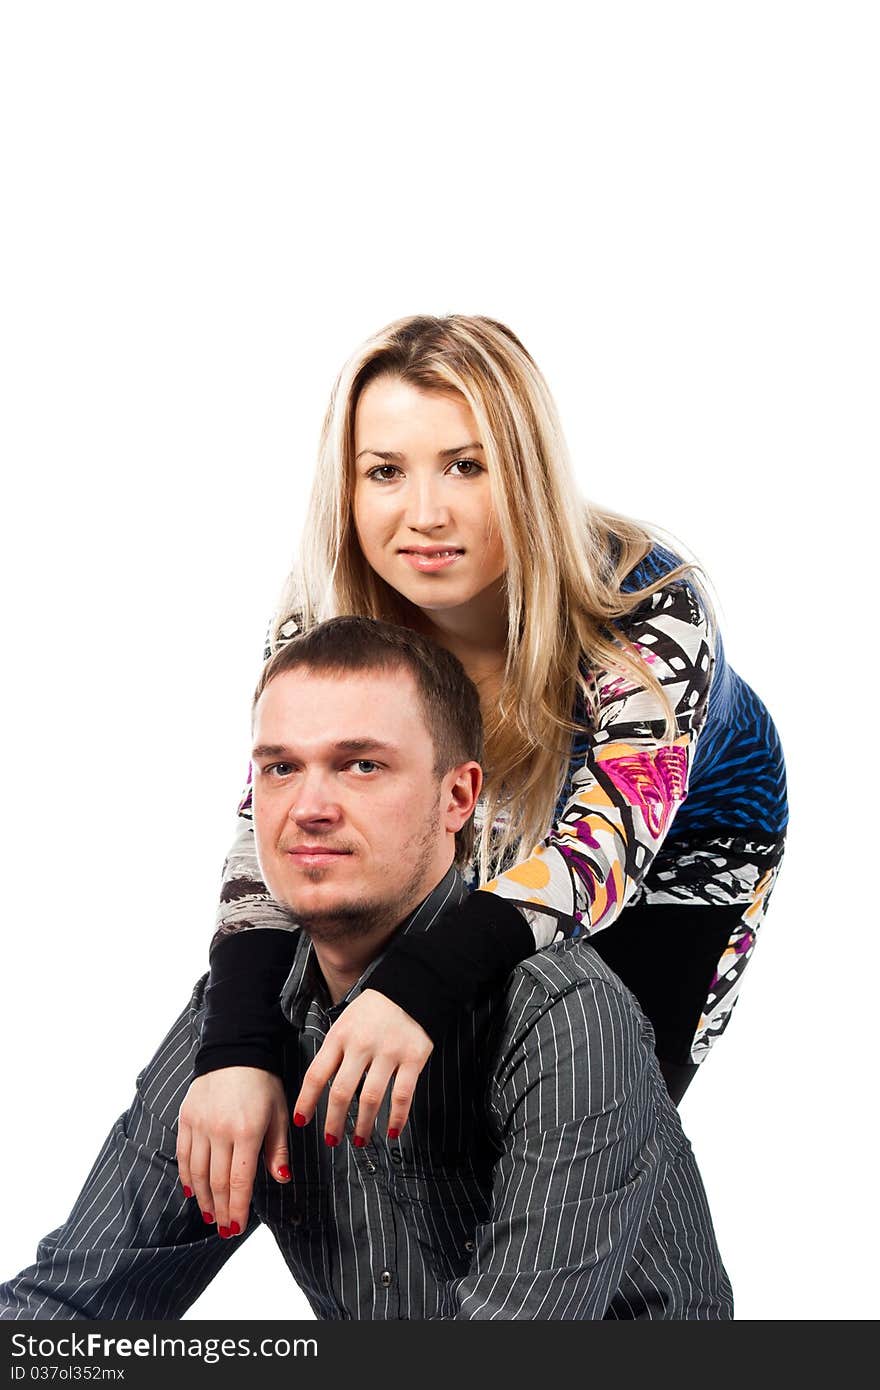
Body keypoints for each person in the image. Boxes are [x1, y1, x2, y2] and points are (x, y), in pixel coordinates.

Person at [184, 314, 788, 1233]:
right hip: (469, 799)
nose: (425, 513)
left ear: (526, 471)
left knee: (599, 1101)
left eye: (467, 466)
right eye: (386, 470)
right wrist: (233, 1047)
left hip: (677, 851)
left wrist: (414, 989)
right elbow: (266, 830)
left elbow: (604, 845)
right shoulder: (322, 620)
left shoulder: (650, 605)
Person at [0, 618, 733, 1321]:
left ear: (459, 798)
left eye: (361, 765)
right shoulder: (240, 1025)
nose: (309, 808)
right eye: (282, 768)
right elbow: (71, 1302)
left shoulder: (564, 1015)